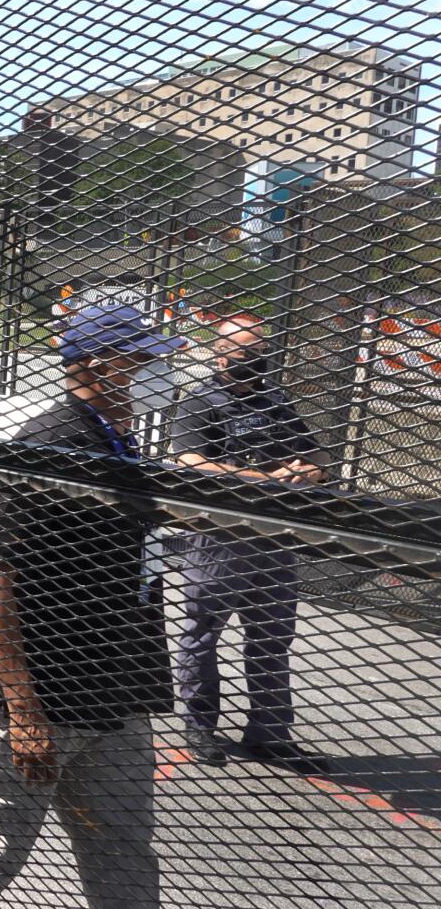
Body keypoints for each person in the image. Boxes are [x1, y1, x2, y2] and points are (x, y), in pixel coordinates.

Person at [0, 303, 183, 909]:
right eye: (142, 359)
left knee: (122, 847)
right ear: (100, 365)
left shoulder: (117, 440)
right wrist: (24, 713)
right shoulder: (51, 443)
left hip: (112, 687)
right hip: (46, 692)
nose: (156, 372)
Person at [168, 315, 331, 775]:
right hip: (220, 537)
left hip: (274, 538)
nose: (251, 361)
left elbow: (317, 453)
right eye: (243, 353)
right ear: (220, 354)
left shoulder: (273, 399)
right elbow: (191, 462)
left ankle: (270, 734)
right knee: (203, 633)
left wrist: (308, 472)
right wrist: (263, 480)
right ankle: (200, 726)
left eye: (258, 353)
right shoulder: (202, 399)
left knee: (273, 639)